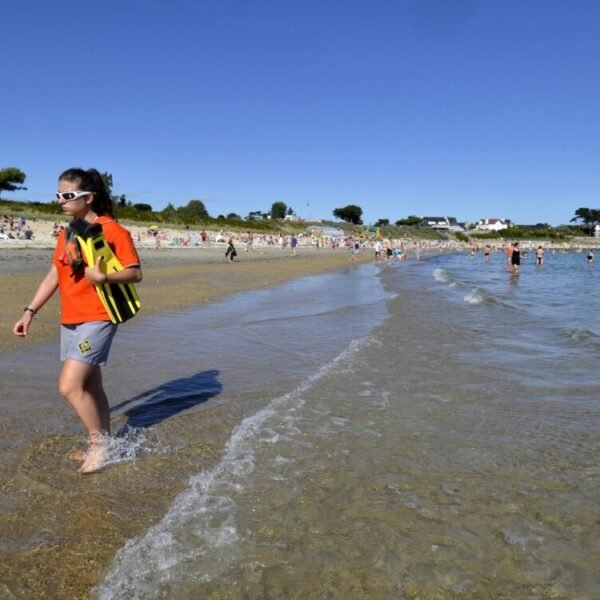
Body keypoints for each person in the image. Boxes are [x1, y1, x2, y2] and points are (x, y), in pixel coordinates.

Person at [12, 168, 142, 474]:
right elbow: (54, 276)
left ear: (89, 198)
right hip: (70, 319)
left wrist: (103, 276)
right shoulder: (66, 232)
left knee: (69, 386)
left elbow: (135, 272)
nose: (61, 201)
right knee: (91, 386)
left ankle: (101, 448)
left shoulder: (113, 230)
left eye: (68, 196)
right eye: (59, 195)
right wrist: (29, 311)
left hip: (98, 317)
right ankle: (106, 442)